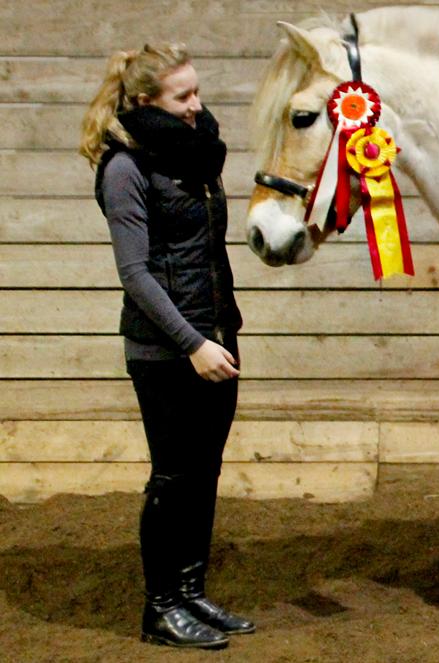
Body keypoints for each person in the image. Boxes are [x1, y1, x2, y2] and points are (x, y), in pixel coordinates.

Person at [79, 44, 252, 649]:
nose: (196, 105)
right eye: (183, 97)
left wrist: (220, 333)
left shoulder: (199, 156)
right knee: (173, 478)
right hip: (167, 352)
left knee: (204, 474)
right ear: (146, 100)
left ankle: (191, 591)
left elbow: (205, 252)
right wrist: (192, 344)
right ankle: (160, 607)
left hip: (218, 338)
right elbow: (137, 274)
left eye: (197, 91)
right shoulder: (125, 167)